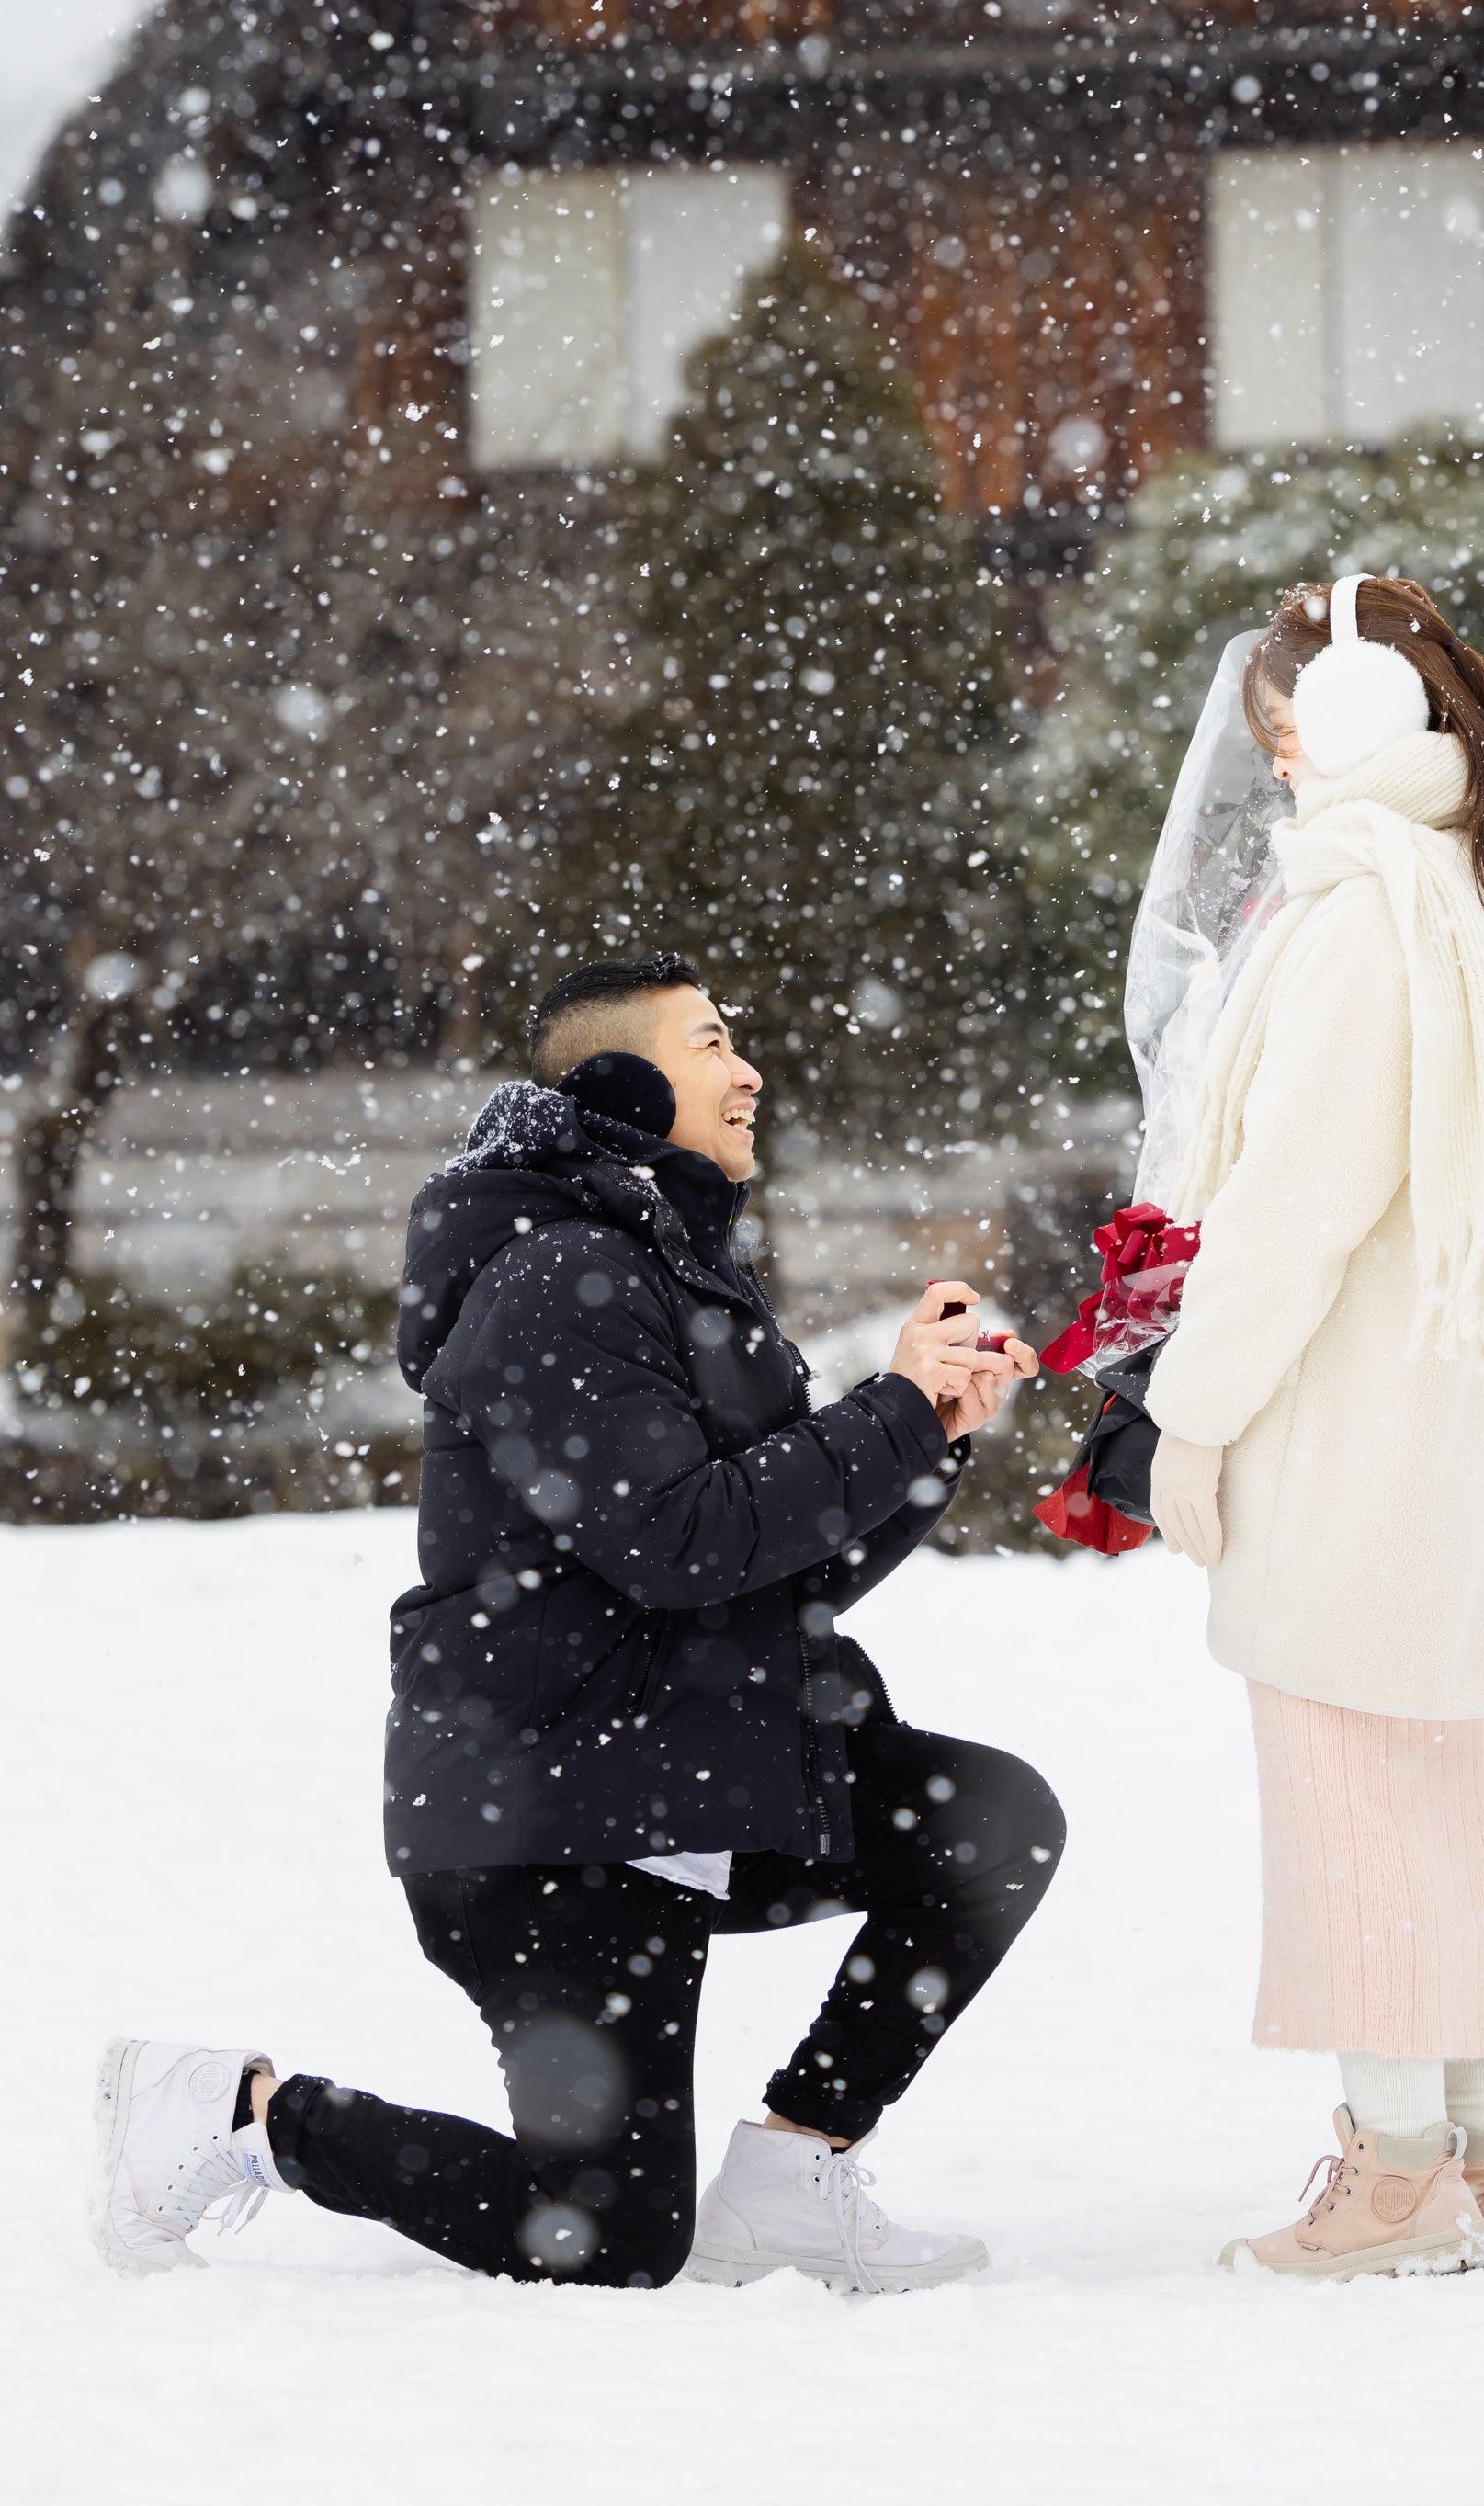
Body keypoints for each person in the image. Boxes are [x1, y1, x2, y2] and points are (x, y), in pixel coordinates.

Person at [93, 949, 1059, 2293]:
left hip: (680, 1780)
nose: (750, 1071)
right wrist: (882, 1413)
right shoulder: (560, 1279)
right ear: (618, 1084)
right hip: (552, 1820)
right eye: (714, 1042)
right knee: (605, 2240)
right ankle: (243, 2114)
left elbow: (773, 1581)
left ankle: (795, 2170)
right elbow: (679, 1541)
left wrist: (924, 1441)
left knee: (985, 1824)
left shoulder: (671, 1275)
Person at [1142, 577, 1484, 2279]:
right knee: (1438, 1798)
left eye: (1284, 737)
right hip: (1478, 1424)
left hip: (1357, 1427)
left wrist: (1189, 1417)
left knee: (1349, 1799)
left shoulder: (1364, 916)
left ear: (1344, 728)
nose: (1274, 772)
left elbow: (1297, 1207)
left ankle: (1396, 2179)